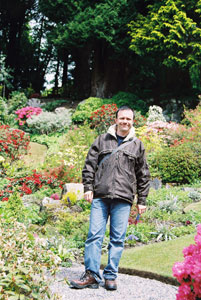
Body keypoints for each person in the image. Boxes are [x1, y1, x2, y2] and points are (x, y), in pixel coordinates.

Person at [70, 105, 150, 291]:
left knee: (117, 239)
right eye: (122, 118)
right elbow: (89, 165)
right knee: (94, 236)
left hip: (123, 198)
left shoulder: (137, 145)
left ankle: (111, 276)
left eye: (128, 119)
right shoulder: (102, 140)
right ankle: (91, 275)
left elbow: (143, 175)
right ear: (116, 119)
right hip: (100, 196)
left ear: (132, 121)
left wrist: (142, 200)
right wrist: (88, 187)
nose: (125, 122)